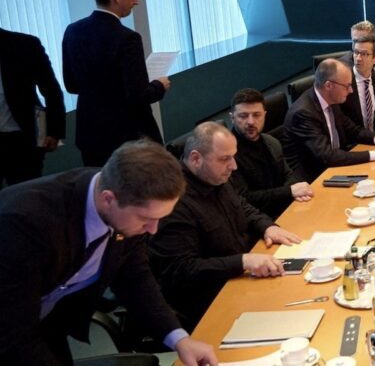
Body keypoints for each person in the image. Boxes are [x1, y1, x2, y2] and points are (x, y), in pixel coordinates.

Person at [0, 140, 216, 365]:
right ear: (108, 199)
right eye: (146, 219)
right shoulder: (25, 223)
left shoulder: (126, 203)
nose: (153, 229)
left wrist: (179, 339)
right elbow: (13, 333)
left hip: (47, 323)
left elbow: (135, 277)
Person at [149, 123, 301, 330]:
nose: (234, 166)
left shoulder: (214, 176)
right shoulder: (173, 202)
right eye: (224, 159)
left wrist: (267, 227)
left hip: (242, 277)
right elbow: (183, 270)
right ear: (196, 158)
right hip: (212, 300)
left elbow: (241, 204)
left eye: (233, 157)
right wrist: (243, 261)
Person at [62, 0, 170, 166]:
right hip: (126, 138)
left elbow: (71, 85)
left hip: (91, 134)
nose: (136, 1)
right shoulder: (128, 38)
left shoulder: (73, 31)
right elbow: (138, 96)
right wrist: (159, 85)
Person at [282, 59, 375, 182]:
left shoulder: (331, 99)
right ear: (329, 86)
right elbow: (327, 156)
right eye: (347, 86)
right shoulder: (303, 113)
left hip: (334, 167)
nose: (351, 90)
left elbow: (353, 130)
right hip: (314, 178)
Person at [227, 88, 313, 219]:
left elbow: (288, 175)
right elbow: (245, 198)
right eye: (243, 116)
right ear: (232, 118)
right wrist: (289, 192)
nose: (251, 122)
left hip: (288, 210)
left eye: (257, 115)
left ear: (265, 115)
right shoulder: (227, 156)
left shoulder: (272, 142)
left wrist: (294, 191)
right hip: (258, 219)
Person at [0, 27, 65, 186]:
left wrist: (54, 131)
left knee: (26, 194)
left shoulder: (24, 44)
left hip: (23, 139)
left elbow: (51, 89)